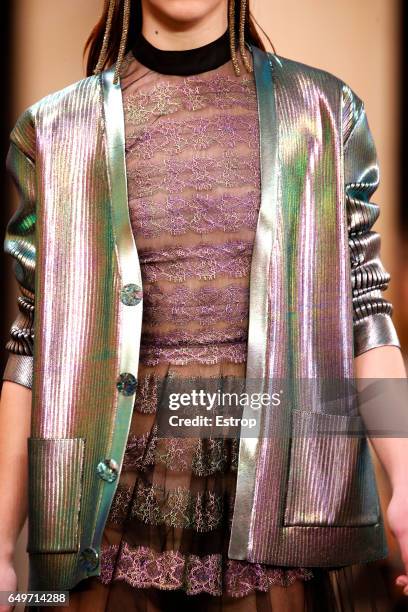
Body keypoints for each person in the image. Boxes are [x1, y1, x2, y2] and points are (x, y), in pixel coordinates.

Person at [1, 1, 408, 611]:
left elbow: (365, 314)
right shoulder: (59, 132)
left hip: (284, 502)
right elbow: (33, 345)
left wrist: (406, 480)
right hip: (110, 511)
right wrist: (1, 544)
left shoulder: (321, 113)